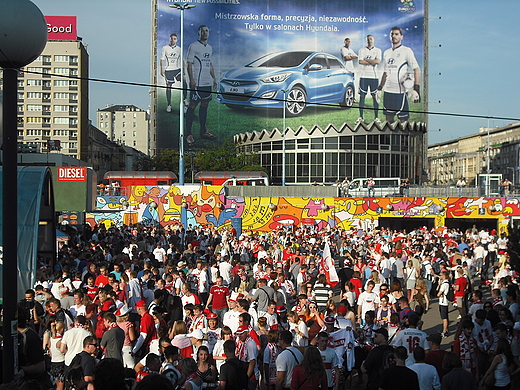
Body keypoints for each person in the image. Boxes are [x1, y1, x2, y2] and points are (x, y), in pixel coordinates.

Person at [376, 26, 421, 123]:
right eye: (392, 34)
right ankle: (390, 139)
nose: (394, 36)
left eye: (396, 34)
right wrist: (380, 88)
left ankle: (403, 139)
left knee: (404, 122)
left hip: (400, 92)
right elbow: (385, 72)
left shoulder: (406, 51)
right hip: (388, 92)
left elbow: (416, 69)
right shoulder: (387, 52)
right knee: (388, 121)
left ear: (401, 37)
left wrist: (416, 89)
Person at [185, 25, 218, 145]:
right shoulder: (193, 46)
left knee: (205, 104)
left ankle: (203, 131)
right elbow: (189, 64)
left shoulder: (209, 48)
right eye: (202, 31)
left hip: (206, 82)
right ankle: (188, 134)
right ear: (199, 33)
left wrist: (214, 78)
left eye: (207, 31)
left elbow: (209, 64)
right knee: (193, 105)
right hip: (197, 83)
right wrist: (191, 80)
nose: (205, 33)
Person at [357, 34, 381, 123]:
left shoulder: (378, 50)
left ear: (373, 40)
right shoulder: (362, 50)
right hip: (364, 76)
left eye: (371, 39)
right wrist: (372, 61)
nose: (369, 40)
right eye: (368, 39)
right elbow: (360, 61)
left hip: (374, 77)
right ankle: (360, 117)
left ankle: (376, 117)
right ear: (366, 41)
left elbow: (378, 61)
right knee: (362, 96)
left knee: (375, 97)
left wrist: (366, 60)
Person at [160, 32, 181, 113]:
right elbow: (162, 59)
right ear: (169, 39)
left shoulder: (179, 49)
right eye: (171, 38)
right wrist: (162, 70)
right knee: (169, 86)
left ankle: (185, 100)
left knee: (184, 80)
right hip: (169, 70)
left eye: (174, 39)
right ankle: (169, 105)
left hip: (176, 69)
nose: (173, 40)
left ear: (177, 40)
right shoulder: (165, 48)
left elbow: (182, 59)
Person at [437, 271, 450, 337]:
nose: (440, 276)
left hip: (443, 302)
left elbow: (438, 293)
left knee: (444, 317)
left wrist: (439, 295)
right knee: (445, 316)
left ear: (444, 276)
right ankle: (445, 329)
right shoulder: (447, 283)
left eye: (441, 275)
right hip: (444, 301)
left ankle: (444, 331)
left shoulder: (444, 284)